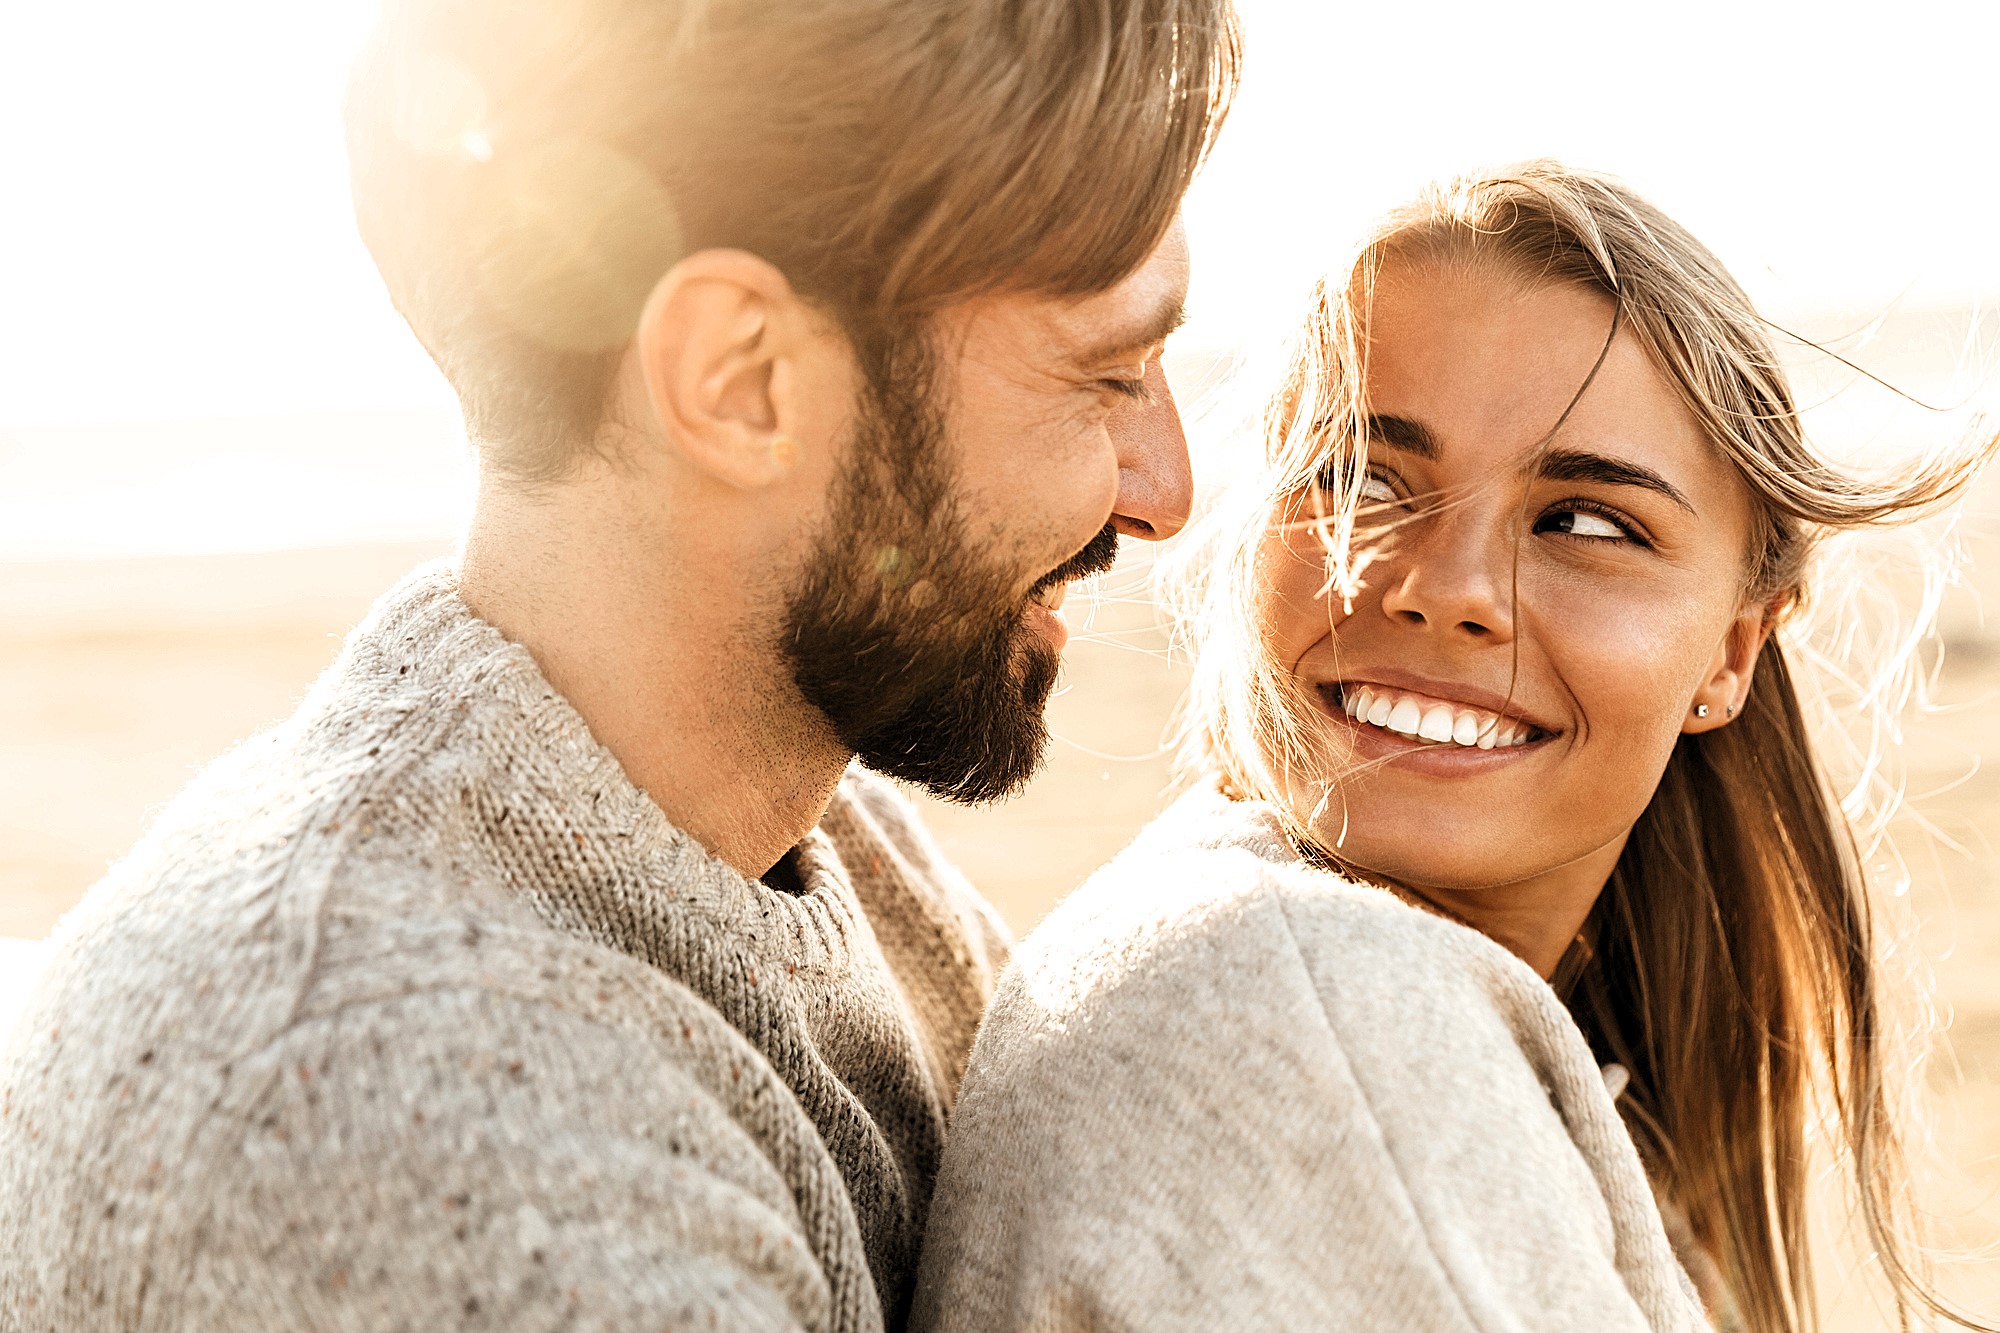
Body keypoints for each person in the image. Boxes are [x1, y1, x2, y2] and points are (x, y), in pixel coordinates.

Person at [0, 2, 1239, 1329]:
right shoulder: (418, 1123)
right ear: (741, 378)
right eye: (1106, 376)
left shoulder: (818, 840)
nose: (1167, 490)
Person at [912, 163, 2000, 1332]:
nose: (1447, 590)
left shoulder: (1324, 974)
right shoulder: (1320, 1009)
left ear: (1729, 654)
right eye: (1362, 477)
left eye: (1582, 521)